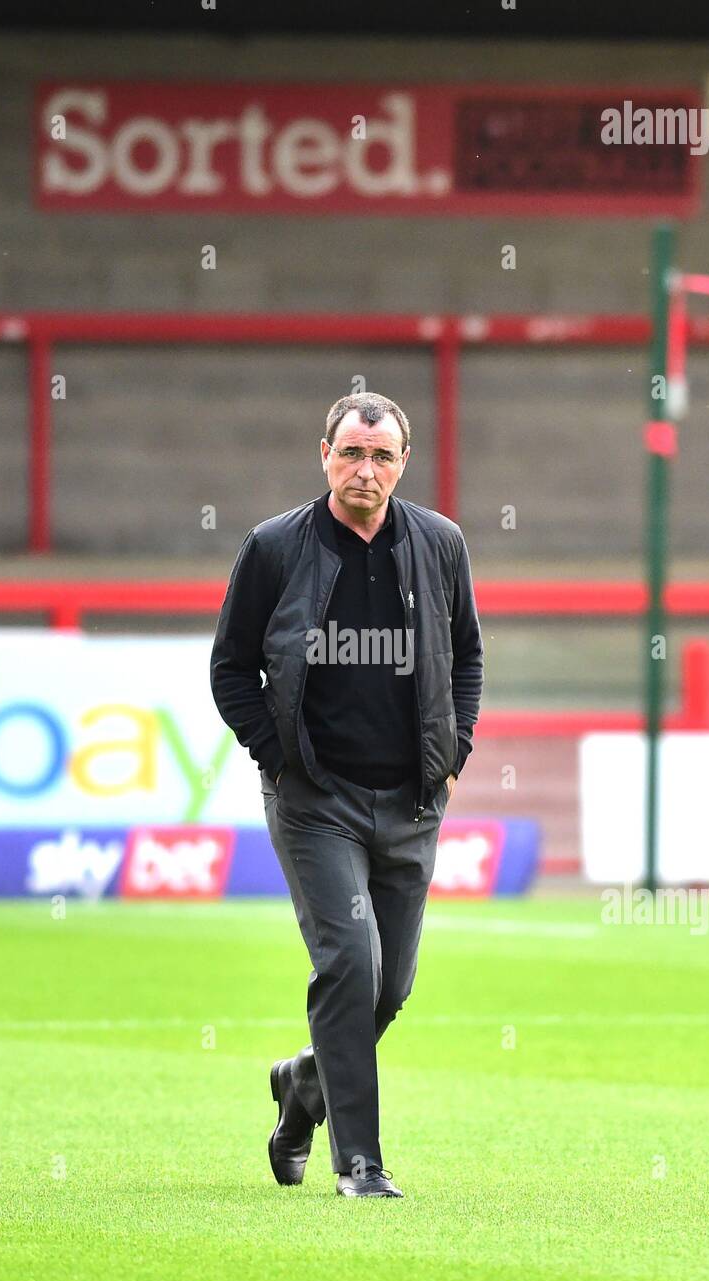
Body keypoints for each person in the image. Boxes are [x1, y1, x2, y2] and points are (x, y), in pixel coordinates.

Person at [210, 391, 483, 1197]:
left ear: (404, 462)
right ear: (323, 453)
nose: (366, 470)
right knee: (348, 967)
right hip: (315, 802)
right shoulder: (274, 547)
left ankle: (303, 1085)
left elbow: (465, 656)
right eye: (351, 453)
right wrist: (278, 757)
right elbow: (231, 668)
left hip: (411, 801)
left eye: (382, 456)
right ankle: (359, 1164)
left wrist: (455, 749)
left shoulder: (440, 544)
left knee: (389, 986)